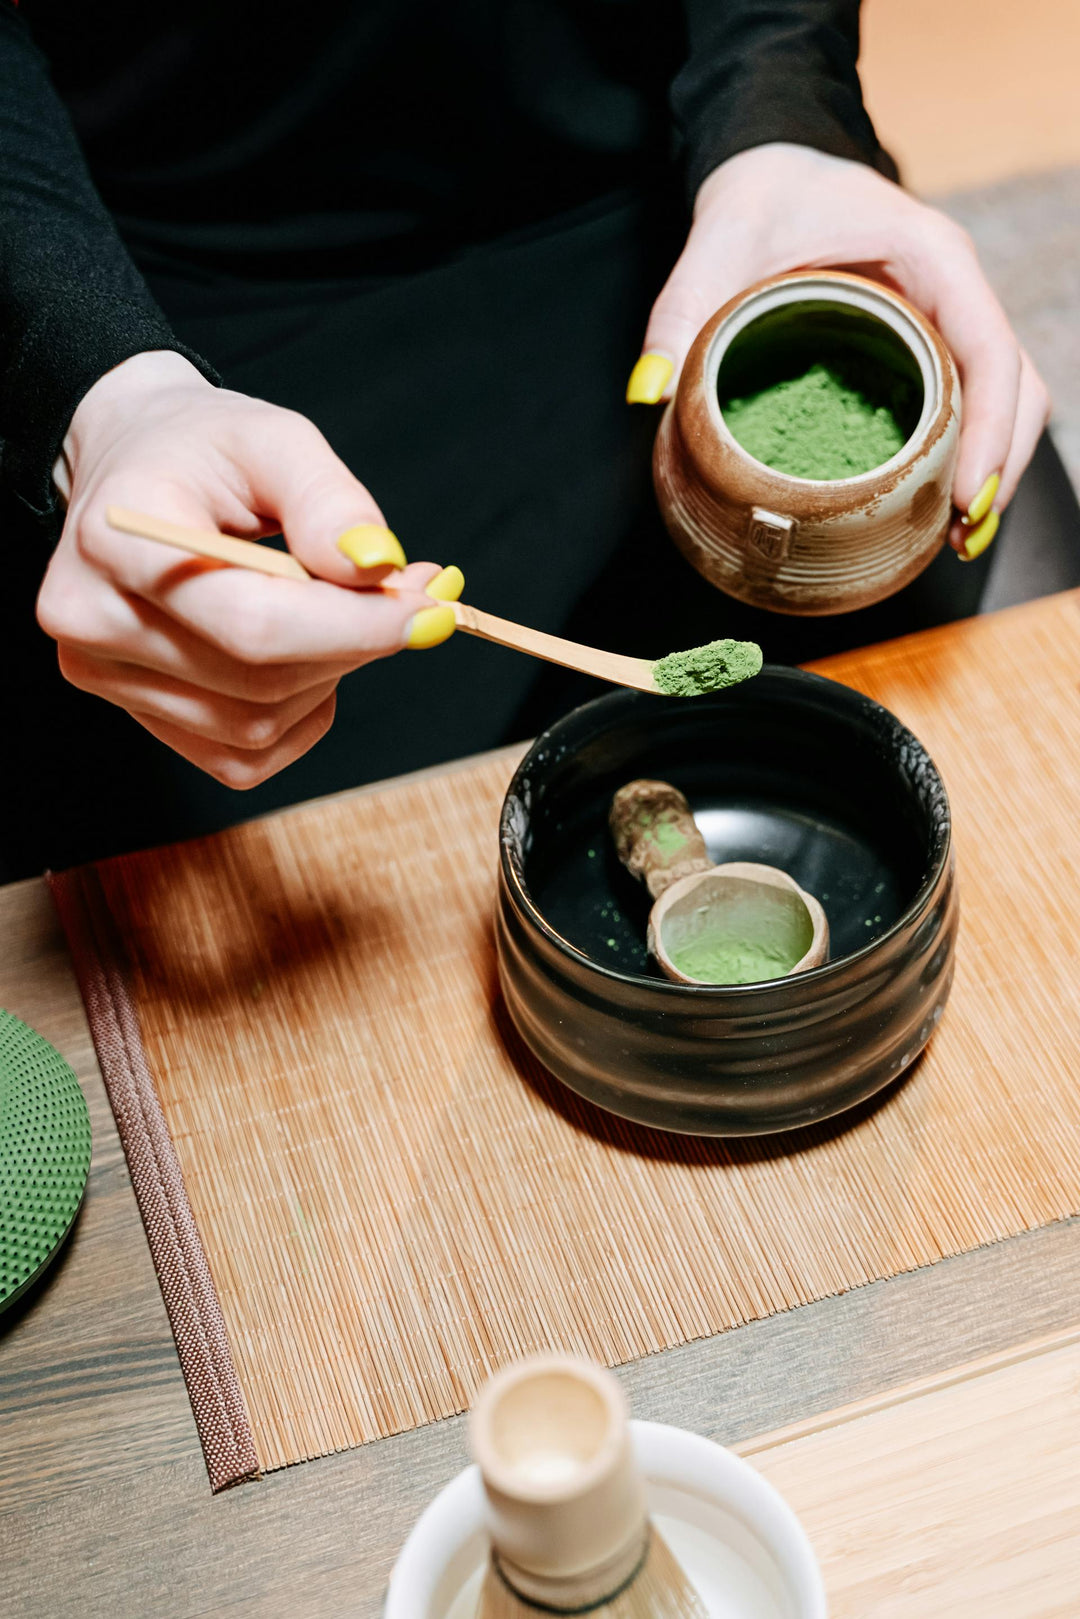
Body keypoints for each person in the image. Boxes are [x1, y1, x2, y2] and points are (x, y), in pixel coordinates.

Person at [0, 2, 1063, 878]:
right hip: (190, 307)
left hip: (695, 210)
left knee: (1032, 761)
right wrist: (101, 381)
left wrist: (782, 107)